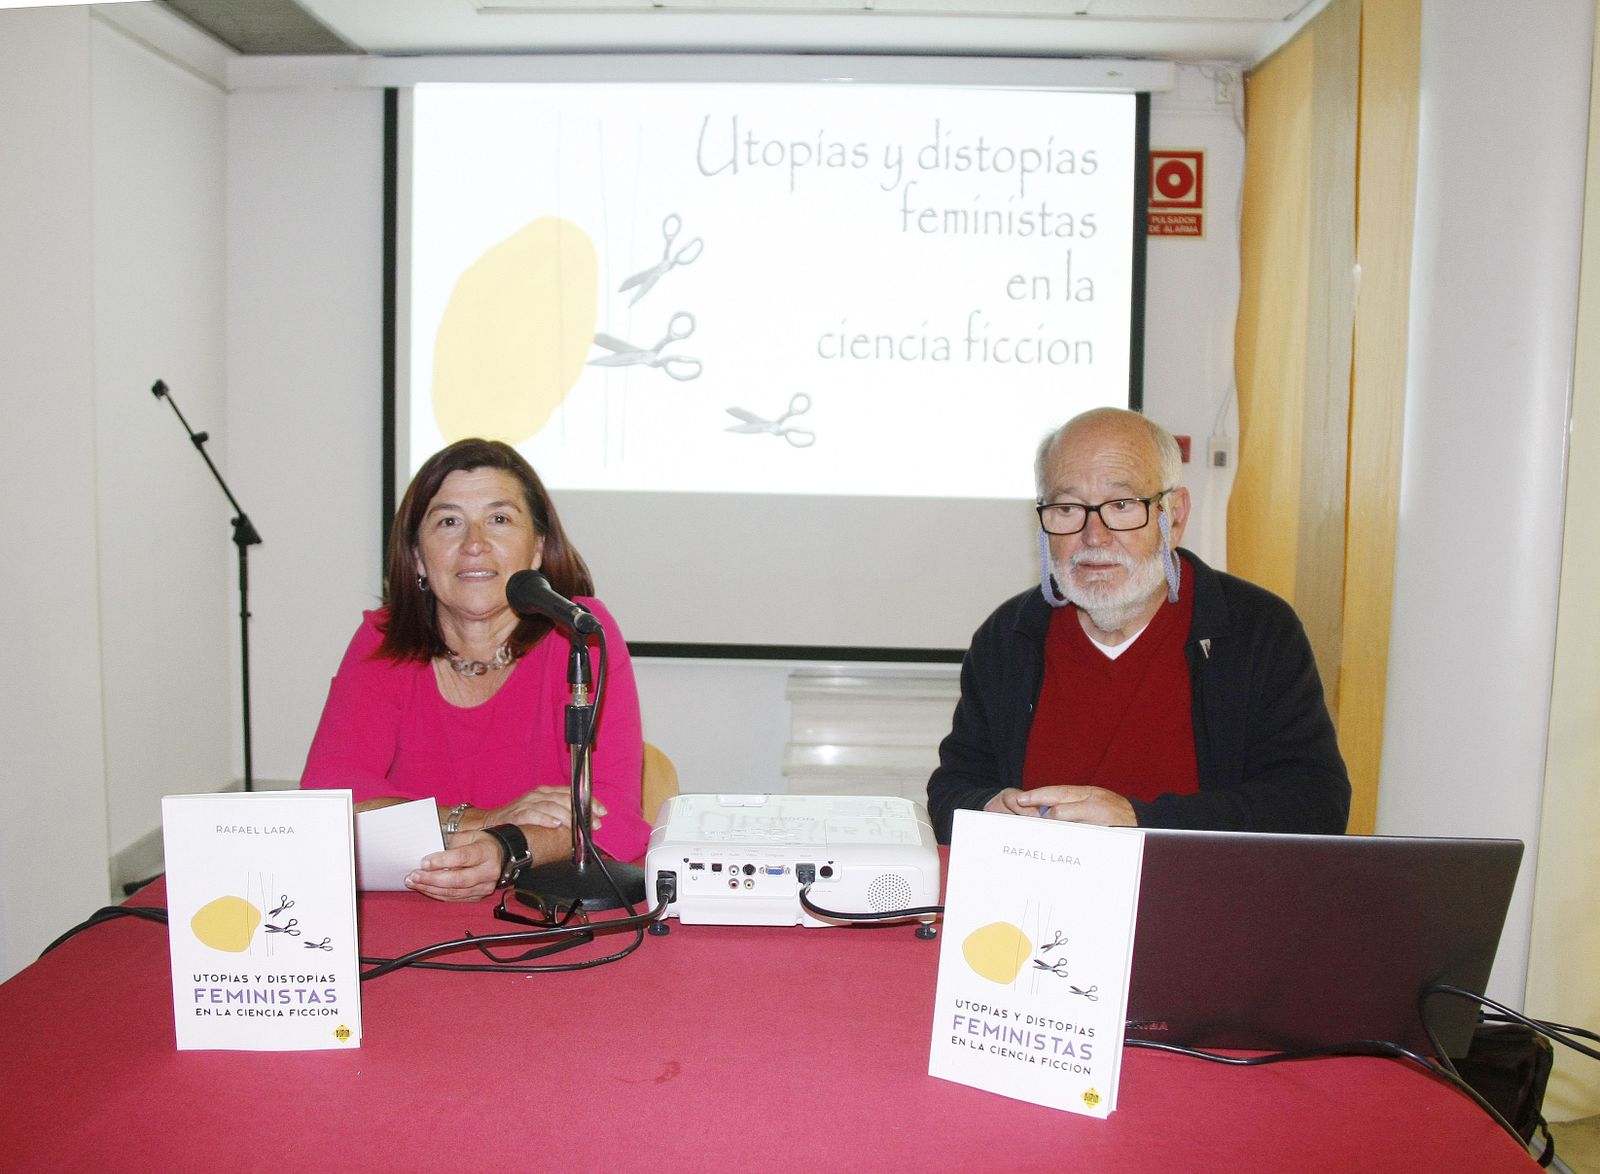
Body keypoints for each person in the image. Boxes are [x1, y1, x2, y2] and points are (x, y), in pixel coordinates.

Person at [926, 407, 1350, 841]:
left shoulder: (1257, 631)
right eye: (1068, 508)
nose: (1094, 536)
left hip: (1195, 899)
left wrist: (1140, 821)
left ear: (1176, 516)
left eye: (1123, 505)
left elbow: (1315, 804)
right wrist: (985, 809)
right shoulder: (1009, 637)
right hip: (1040, 901)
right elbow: (951, 789)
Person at [302, 438, 648, 901]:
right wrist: (486, 821)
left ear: (539, 548)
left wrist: (505, 850)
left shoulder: (579, 634)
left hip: (540, 917)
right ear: (419, 558)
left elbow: (615, 818)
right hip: (407, 910)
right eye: (449, 522)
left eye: (499, 519)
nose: (474, 544)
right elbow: (331, 805)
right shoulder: (383, 641)